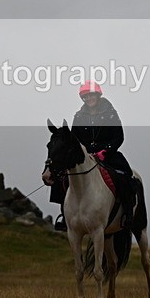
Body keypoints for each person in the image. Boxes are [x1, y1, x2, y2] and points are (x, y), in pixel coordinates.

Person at [49, 81, 136, 230]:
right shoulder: (78, 116)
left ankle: (128, 214)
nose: (89, 99)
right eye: (86, 96)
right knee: (62, 178)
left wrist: (105, 151)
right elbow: (74, 140)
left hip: (108, 155)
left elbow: (118, 137)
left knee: (125, 176)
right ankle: (65, 215)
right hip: (86, 156)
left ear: (97, 95)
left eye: (91, 95)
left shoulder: (111, 113)